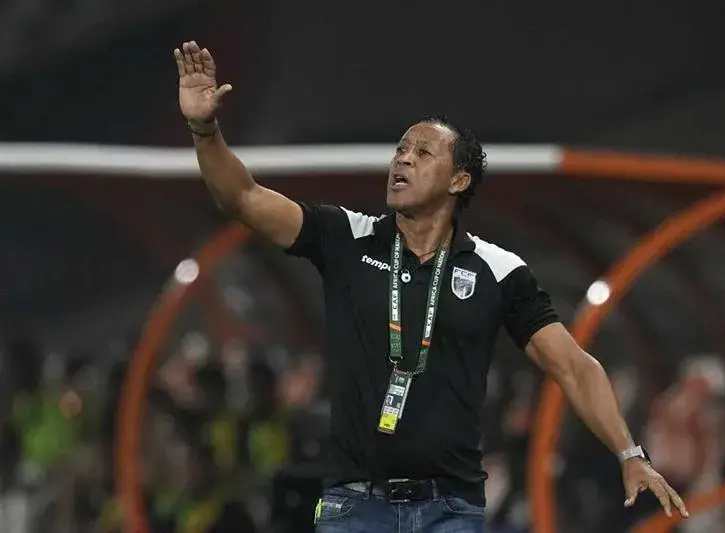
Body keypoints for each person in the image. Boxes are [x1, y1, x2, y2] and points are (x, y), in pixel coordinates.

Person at [173, 40, 690, 533]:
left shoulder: (498, 270)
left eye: (423, 153)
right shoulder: (347, 237)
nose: (402, 159)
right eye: (401, 150)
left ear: (458, 181)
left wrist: (630, 454)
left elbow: (574, 366)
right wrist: (205, 130)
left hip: (450, 511)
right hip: (355, 506)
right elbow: (242, 197)